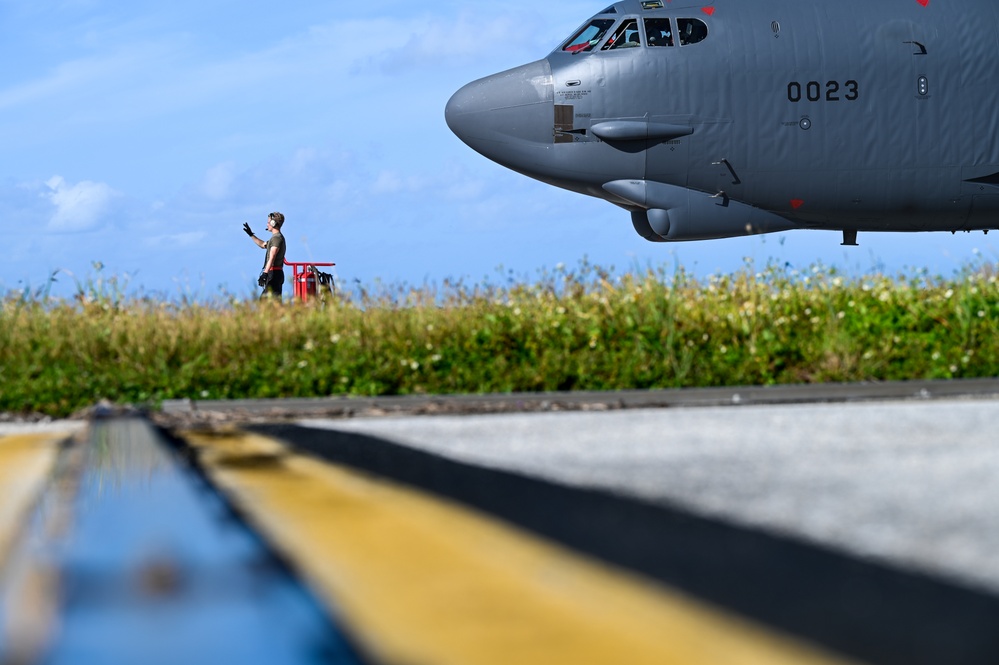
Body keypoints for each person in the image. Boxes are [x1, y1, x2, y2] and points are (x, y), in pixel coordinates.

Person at [243, 212, 286, 299]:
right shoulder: (275, 239)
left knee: (265, 303)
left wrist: (265, 273)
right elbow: (263, 244)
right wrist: (251, 235)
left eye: (268, 222)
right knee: (272, 303)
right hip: (274, 274)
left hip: (274, 274)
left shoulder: (277, 238)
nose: (267, 224)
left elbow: (272, 256)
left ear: (273, 223)